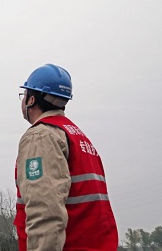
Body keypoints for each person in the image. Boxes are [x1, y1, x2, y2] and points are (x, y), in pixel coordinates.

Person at [14, 64, 118, 250]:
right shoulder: (77, 137)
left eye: (24, 96)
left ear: (31, 100)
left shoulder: (42, 136)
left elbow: (45, 211)